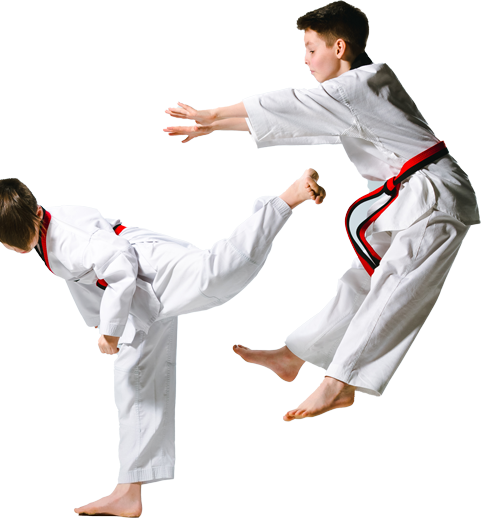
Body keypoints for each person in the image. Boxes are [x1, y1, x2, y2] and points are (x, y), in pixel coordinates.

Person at [163, 1, 480, 421]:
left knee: (394, 286)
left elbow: (290, 106)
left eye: (312, 48)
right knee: (360, 281)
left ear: (340, 47)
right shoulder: (362, 84)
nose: (306, 58)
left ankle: (339, 383)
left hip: (435, 197)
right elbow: (297, 117)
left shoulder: (355, 88)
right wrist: (213, 123)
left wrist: (213, 114)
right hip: (412, 197)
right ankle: (294, 356)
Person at [0, 169, 324, 517]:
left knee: (217, 273)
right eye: (11, 245)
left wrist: (111, 329)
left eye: (21, 239)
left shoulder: (69, 238)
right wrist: (101, 322)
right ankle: (129, 493)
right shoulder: (42, 230)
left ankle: (286, 199)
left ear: (36, 213)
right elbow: (80, 278)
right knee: (134, 381)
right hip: (132, 296)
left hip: (147, 268)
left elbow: (117, 263)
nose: (18, 248)